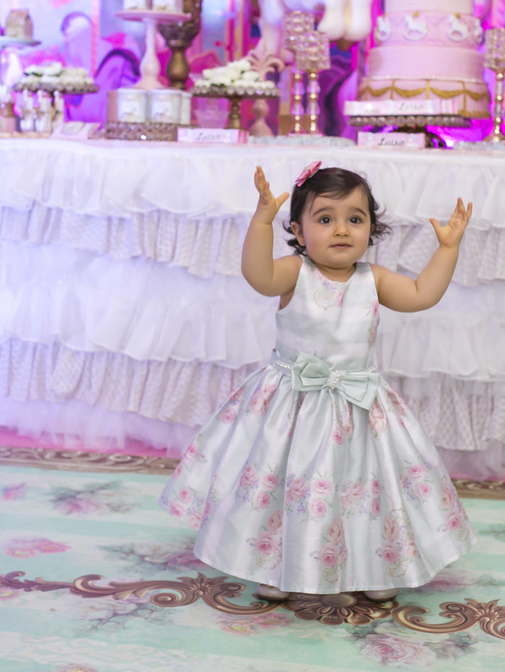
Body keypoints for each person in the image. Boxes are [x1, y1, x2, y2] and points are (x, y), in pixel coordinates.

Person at [159, 163, 475, 601]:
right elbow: (257, 275)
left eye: (355, 219)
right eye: (325, 219)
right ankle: (273, 564)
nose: (341, 229)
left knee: (364, 488)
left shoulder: (374, 279)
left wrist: (447, 249)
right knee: (282, 486)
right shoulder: (294, 273)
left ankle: (376, 567)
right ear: (299, 230)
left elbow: (422, 294)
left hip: (358, 408)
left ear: (371, 229)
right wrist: (261, 221)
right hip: (293, 405)